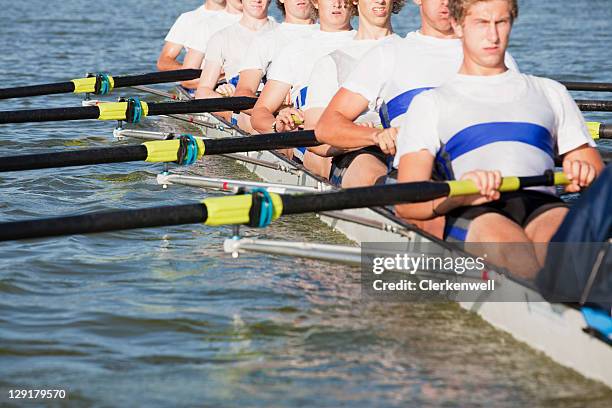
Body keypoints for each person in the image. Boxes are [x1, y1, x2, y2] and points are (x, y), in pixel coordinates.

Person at [393, 0, 604, 277]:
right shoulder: (431, 103)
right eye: (481, 23)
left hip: (541, 204)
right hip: (472, 209)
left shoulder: (550, 91)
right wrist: (462, 194)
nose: (493, 36)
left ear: (511, 23)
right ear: (458, 25)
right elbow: (407, 203)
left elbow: (599, 180)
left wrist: (587, 175)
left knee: (572, 250)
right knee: (511, 249)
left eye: (501, 22)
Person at [314, 0, 518, 188]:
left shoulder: (499, 57)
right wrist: (377, 136)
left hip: (487, 171)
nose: (447, 2)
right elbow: (326, 127)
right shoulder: (388, 55)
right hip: (419, 174)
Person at [301, 0, 402, 179]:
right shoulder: (331, 63)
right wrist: (364, 136)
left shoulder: (411, 51)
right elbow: (316, 140)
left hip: (411, 147)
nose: (380, 1)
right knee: (368, 166)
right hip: (359, 155)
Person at [250, 0, 355, 162]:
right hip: (314, 143)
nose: (337, 3)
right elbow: (260, 112)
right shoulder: (295, 50)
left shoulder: (373, 47)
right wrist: (277, 125)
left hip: (364, 134)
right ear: (316, 2)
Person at [233, 0, 318, 132]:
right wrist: (279, 109)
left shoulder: (341, 38)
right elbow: (242, 93)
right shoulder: (265, 40)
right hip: (289, 124)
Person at [194, 0, 278, 122]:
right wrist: (227, 104)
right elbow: (202, 92)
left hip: (278, 105)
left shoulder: (284, 34)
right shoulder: (221, 38)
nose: (257, 0)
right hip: (241, 110)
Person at [179, 0, 244, 92]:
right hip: (221, 88)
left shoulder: (270, 24)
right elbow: (186, 80)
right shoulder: (206, 25)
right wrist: (219, 79)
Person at [157, 0, 233, 72]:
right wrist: (201, 73)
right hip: (198, 82)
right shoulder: (188, 19)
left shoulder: (242, 16)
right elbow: (164, 62)